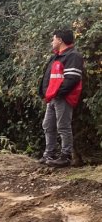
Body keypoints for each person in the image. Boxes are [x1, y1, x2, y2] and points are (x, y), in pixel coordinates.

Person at [39, 29, 84, 167]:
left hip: (63, 98)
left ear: (60, 40)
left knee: (63, 126)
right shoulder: (56, 56)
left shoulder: (73, 56)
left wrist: (58, 94)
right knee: (47, 125)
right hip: (52, 98)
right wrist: (44, 92)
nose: (52, 42)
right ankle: (49, 154)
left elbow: (72, 78)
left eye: (53, 39)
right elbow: (48, 77)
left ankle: (66, 156)